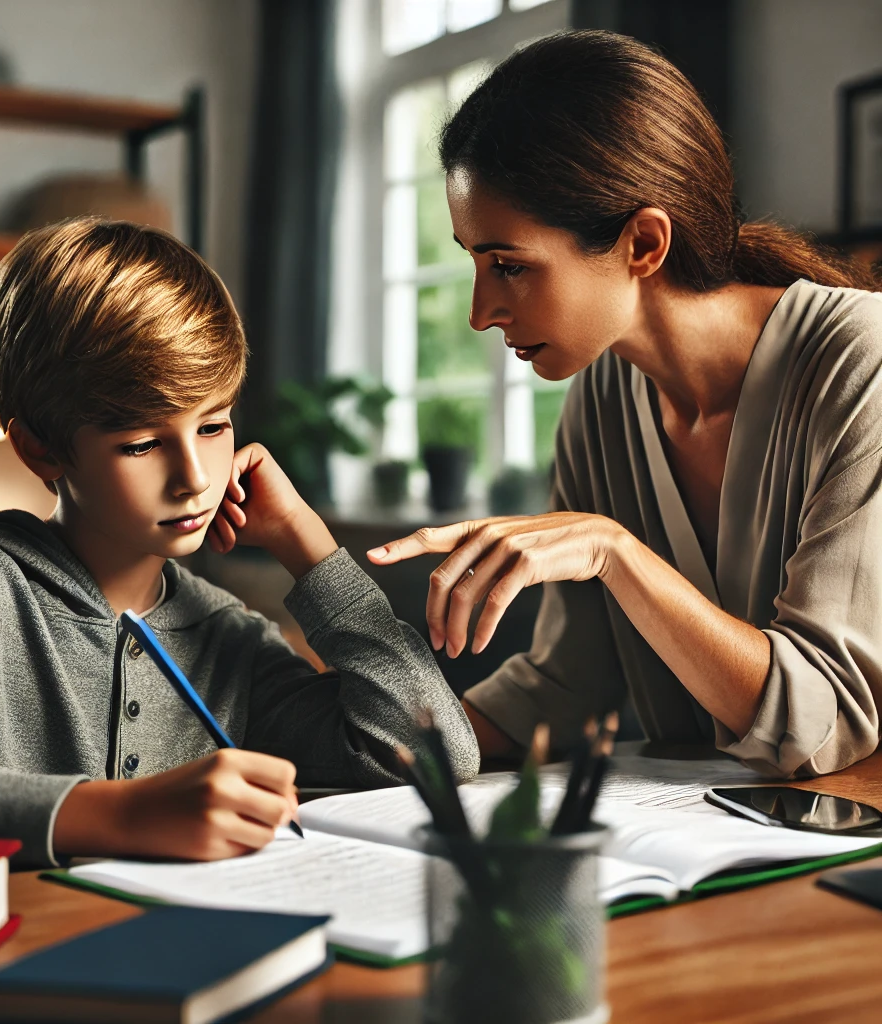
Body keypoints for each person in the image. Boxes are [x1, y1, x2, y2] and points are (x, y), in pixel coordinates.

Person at [0, 218, 478, 867]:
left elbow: (437, 759)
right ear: (39, 448)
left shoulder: (226, 635)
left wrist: (307, 545)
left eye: (213, 427)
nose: (195, 479)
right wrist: (120, 814)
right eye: (142, 444)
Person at [368, 30, 882, 779]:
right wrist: (354, 744)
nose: (480, 314)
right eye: (475, 263)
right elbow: (564, 688)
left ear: (643, 243)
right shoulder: (603, 396)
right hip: (702, 833)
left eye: (509, 266)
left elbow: (824, 721)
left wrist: (613, 551)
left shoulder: (862, 361)